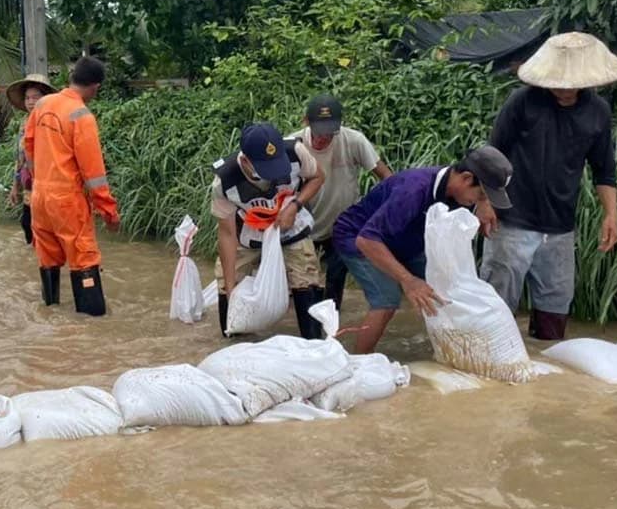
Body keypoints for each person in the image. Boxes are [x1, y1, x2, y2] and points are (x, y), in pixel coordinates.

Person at [479, 32, 617, 341]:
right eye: (557, 80)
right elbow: (492, 154)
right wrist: (484, 201)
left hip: (560, 226)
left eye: (571, 82)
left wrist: (611, 215)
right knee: (494, 307)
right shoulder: (522, 102)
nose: (563, 87)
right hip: (512, 220)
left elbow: (604, 170)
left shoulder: (597, 111)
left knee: (555, 310)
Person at [333, 146, 513, 354]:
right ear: (465, 178)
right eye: (481, 194)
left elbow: (471, 202)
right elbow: (367, 240)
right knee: (387, 299)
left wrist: (483, 203)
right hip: (358, 237)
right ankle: (358, 363)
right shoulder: (413, 190)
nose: (478, 200)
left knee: (447, 287)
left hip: (406, 240)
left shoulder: (457, 190)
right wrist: (408, 280)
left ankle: (460, 353)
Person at [213, 123, 327, 340]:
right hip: (247, 237)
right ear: (246, 161)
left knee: (307, 278)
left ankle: (314, 344)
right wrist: (231, 289)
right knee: (229, 288)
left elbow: (318, 177)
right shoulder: (225, 180)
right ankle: (234, 347)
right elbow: (227, 234)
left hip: (292, 226)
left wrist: (295, 205)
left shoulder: (295, 151)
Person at [23, 57, 119, 316]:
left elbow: (28, 145)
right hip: (67, 201)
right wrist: (109, 212)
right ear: (95, 87)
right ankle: (92, 326)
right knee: (84, 259)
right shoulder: (82, 116)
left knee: (48, 257)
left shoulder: (42, 104)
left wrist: (38, 178)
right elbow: (94, 174)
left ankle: (50, 311)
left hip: (40, 198)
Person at [290, 94, 392, 310]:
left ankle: (331, 328)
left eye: (330, 132)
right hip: (304, 223)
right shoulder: (292, 145)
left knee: (335, 278)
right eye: (319, 131)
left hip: (343, 222)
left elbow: (386, 177)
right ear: (306, 122)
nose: (324, 138)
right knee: (306, 283)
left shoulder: (354, 140)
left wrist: (385, 208)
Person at [7, 74, 57, 245]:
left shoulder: (52, 123)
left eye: (36, 97)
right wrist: (15, 186)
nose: (30, 101)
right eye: (27, 97)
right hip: (29, 183)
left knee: (47, 228)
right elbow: (20, 157)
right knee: (27, 224)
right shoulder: (24, 124)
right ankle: (36, 261)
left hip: (49, 184)